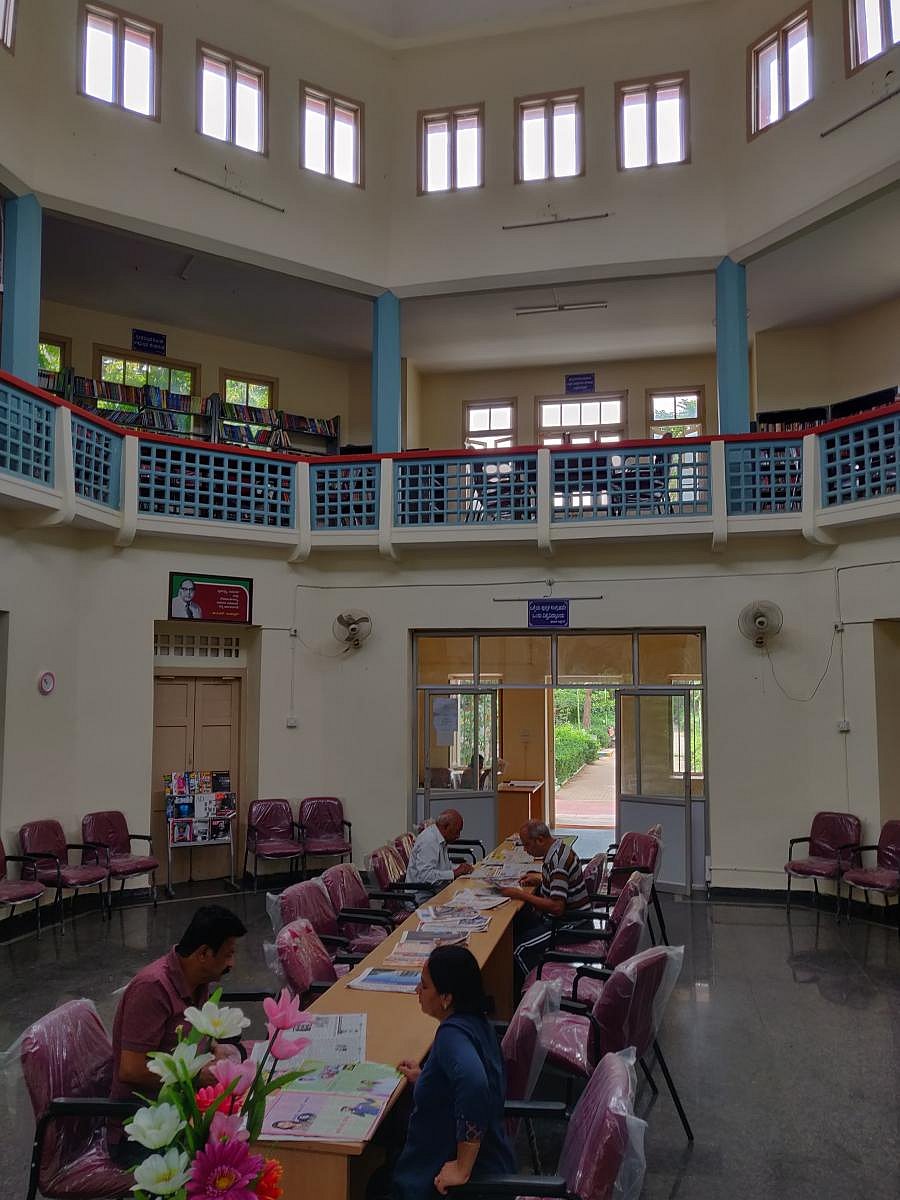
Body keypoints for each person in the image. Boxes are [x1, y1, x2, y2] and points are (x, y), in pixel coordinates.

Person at [109, 905, 247, 1158]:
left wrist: (214, 1049)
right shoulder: (152, 989)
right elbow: (130, 1070)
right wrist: (195, 1078)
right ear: (203, 953)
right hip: (147, 1129)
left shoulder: (198, 981)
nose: (232, 964)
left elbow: (187, 1039)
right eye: (228, 955)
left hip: (185, 1110)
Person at [391, 945, 516, 1198]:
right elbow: (459, 1081)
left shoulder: (451, 1036)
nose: (417, 991)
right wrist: (427, 1078)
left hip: (453, 1181)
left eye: (424, 986)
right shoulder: (477, 1021)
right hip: (495, 1159)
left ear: (446, 998)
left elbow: (474, 1083)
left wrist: (461, 1167)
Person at [499, 820, 590, 975]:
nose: (525, 850)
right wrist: (540, 882)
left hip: (573, 924)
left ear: (540, 840)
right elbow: (560, 887)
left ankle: (532, 986)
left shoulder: (557, 861)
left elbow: (557, 907)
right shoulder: (557, 850)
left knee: (519, 949)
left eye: (527, 845)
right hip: (564, 918)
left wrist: (521, 895)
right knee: (516, 926)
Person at [405, 809, 473, 890]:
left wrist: (459, 868)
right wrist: (455, 873)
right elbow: (426, 876)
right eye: (457, 831)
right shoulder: (429, 840)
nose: (458, 836)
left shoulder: (440, 837)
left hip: (433, 889)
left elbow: (442, 868)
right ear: (445, 827)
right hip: (422, 893)